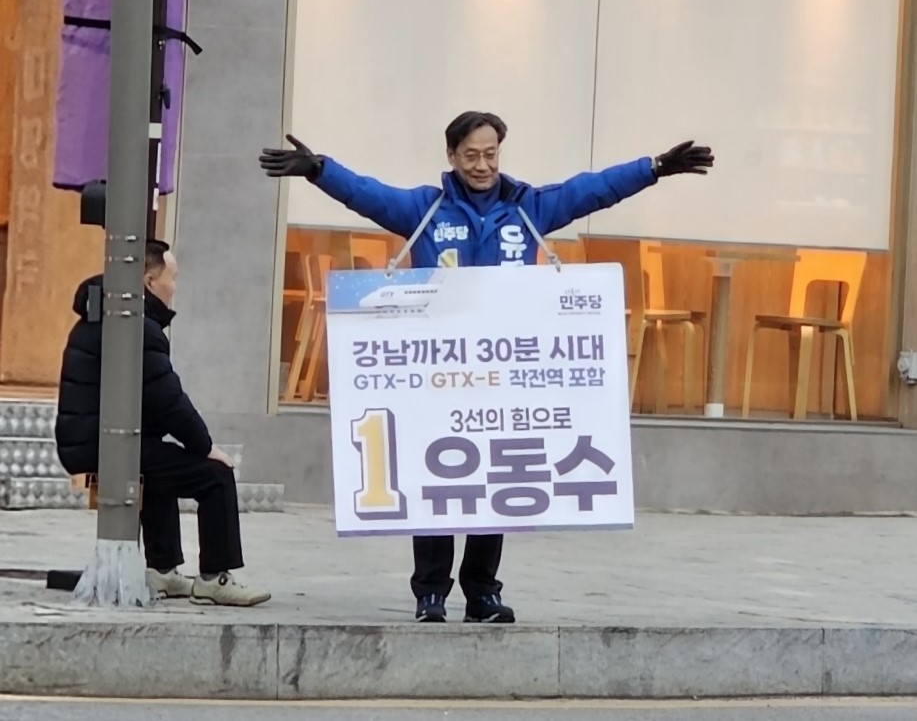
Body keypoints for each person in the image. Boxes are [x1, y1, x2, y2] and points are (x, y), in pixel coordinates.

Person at [259, 111, 714, 623]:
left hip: (503, 379)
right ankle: (430, 593)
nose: (482, 165)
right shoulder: (425, 209)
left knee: (493, 485)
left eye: (491, 154)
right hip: (436, 376)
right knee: (433, 482)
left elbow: (592, 190)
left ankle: (482, 593)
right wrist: (319, 169)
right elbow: (368, 193)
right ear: (452, 156)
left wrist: (653, 168)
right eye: (471, 155)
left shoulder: (528, 208)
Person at [54, 239, 271, 607]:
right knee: (215, 476)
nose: (175, 287)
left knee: (157, 462)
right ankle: (215, 578)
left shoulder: (100, 315)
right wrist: (206, 447)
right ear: (150, 281)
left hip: (88, 442)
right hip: (104, 446)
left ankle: (163, 571)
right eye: (173, 277)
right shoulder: (136, 325)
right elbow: (168, 399)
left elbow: (151, 399)